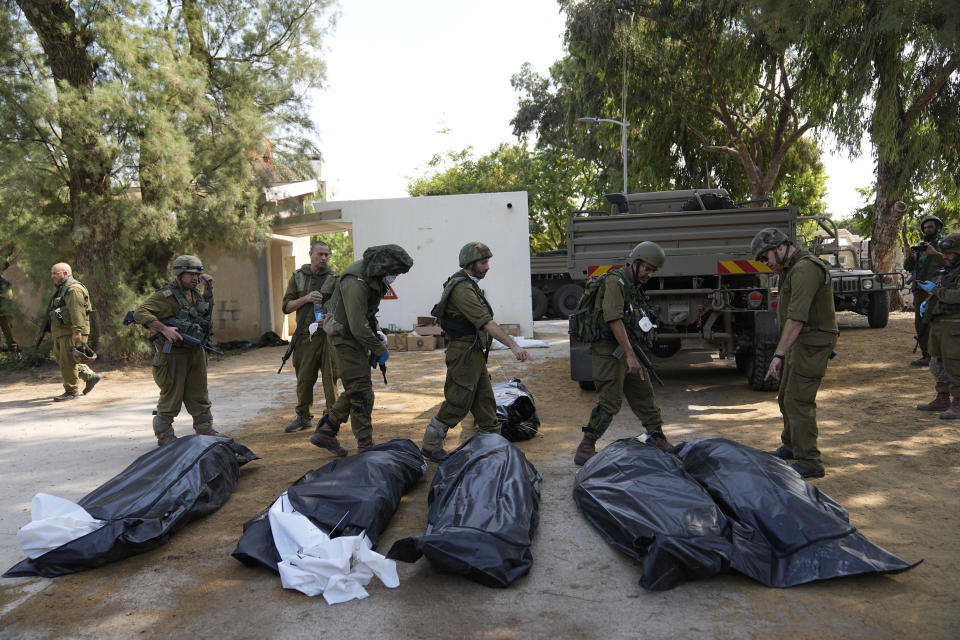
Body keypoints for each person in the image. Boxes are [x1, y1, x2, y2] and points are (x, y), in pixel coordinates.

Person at [419, 242, 532, 462]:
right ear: (470, 264)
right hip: (463, 354)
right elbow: (485, 322)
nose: (488, 267)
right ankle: (431, 445)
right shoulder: (461, 289)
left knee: (485, 402)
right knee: (458, 401)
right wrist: (513, 345)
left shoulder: (469, 285)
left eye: (487, 261)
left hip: (473, 353)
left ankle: (495, 446)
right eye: (483, 262)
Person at [573, 241, 673, 466]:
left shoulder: (633, 286)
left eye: (653, 270)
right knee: (610, 401)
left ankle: (657, 437)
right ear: (635, 263)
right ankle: (586, 447)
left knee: (644, 392)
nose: (649, 274)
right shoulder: (615, 281)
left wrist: (632, 353)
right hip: (609, 351)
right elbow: (614, 319)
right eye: (647, 268)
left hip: (627, 347)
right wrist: (630, 355)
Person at [309, 244, 413, 455]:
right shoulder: (356, 281)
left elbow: (367, 314)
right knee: (362, 392)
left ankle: (327, 431)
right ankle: (365, 445)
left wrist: (377, 334)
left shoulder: (373, 276)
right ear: (385, 266)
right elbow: (357, 325)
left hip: (355, 337)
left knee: (357, 387)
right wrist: (378, 348)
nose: (394, 277)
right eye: (394, 272)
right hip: (345, 338)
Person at [752, 228, 838, 479]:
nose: (765, 264)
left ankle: (810, 461)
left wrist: (777, 356)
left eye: (765, 257)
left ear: (779, 248)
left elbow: (797, 318)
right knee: (785, 395)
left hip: (811, 342)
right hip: (800, 341)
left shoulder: (805, 269)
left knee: (798, 400)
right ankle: (791, 446)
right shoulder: (791, 268)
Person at [134, 255, 222, 446]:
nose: (195, 278)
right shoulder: (166, 296)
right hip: (173, 355)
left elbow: (203, 314)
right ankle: (165, 435)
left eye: (197, 274)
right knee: (172, 395)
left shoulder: (196, 293)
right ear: (179, 274)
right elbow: (140, 312)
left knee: (199, 393)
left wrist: (209, 289)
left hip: (195, 351)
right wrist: (164, 329)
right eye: (190, 274)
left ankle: (205, 429)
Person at [280, 240, 340, 433]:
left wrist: (330, 320)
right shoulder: (298, 277)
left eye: (326, 255)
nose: (323, 258)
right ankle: (303, 416)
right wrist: (305, 299)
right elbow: (286, 307)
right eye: (319, 254)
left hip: (328, 337)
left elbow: (343, 307)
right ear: (310, 254)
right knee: (304, 379)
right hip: (305, 337)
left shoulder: (335, 278)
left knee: (331, 378)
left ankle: (332, 418)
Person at [916, 233, 960, 419]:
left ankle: (958, 402)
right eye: (945, 253)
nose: (946, 256)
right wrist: (927, 303)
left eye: (950, 253)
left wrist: (934, 290)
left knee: (955, 365)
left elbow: (955, 296)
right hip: (939, 324)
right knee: (937, 363)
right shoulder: (948, 271)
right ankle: (943, 398)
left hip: (954, 325)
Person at [46, 263, 101, 401]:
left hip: (71, 332)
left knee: (67, 362)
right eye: (52, 273)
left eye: (55, 273)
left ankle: (71, 391)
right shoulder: (62, 289)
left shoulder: (73, 289)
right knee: (63, 358)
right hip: (62, 332)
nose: (52, 276)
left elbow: (77, 312)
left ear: (65, 273)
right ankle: (89, 376)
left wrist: (77, 332)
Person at [904, 214, 946, 366]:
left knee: (938, 323)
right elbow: (908, 267)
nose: (928, 230)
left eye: (931, 227)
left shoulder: (944, 245)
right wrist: (910, 256)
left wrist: (935, 253)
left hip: (938, 290)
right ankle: (926, 354)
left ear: (938, 228)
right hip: (921, 291)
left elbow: (952, 263)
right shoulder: (920, 246)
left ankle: (940, 355)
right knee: (921, 323)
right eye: (925, 227)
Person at [0, 271, 18, 358]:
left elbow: (7, 296)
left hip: (5, 313)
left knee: (9, 334)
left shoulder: (5, 283)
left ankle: (14, 354)